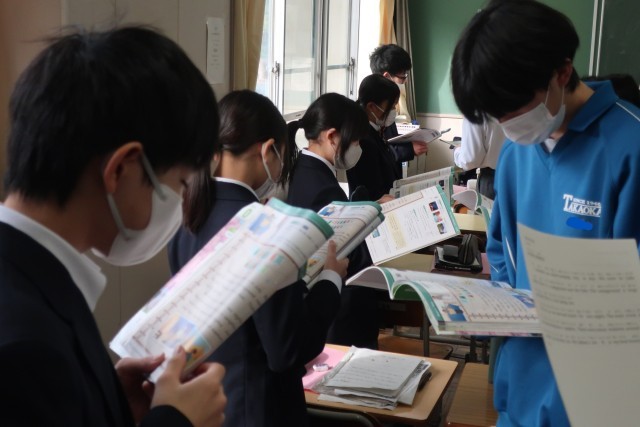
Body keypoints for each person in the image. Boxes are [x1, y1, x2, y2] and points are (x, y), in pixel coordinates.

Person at [0, 27, 227, 426]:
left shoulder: (32, 281)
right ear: (121, 168)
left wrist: (107, 399)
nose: (180, 205)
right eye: (180, 185)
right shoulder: (26, 347)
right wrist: (175, 421)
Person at [450, 0, 640, 425]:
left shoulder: (630, 147)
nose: (508, 125)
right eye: (496, 116)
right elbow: (502, 255)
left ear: (562, 73)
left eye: (514, 109)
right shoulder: (517, 155)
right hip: (521, 391)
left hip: (601, 400)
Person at [169, 90, 349, 427]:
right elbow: (287, 351)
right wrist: (330, 280)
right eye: (282, 157)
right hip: (261, 409)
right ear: (268, 151)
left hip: (207, 404)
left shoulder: (186, 219)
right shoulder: (267, 232)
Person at [286, 93, 380, 349]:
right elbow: (343, 253)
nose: (358, 147)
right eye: (355, 140)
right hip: (340, 313)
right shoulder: (321, 187)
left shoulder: (303, 168)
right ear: (332, 137)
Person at [347, 74, 403, 202]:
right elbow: (373, 190)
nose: (394, 111)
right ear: (371, 107)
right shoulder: (363, 140)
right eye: (391, 106)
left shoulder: (373, 130)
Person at [370, 44, 428, 159]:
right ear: (387, 76)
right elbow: (378, 152)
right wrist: (409, 150)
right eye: (402, 77)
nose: (405, 81)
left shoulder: (389, 102)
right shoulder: (374, 108)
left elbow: (391, 141)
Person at [453, 118, 506, 199]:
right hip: (521, 174)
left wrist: (456, 151)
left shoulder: (474, 113)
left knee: (489, 207)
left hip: (492, 179)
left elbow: (470, 160)